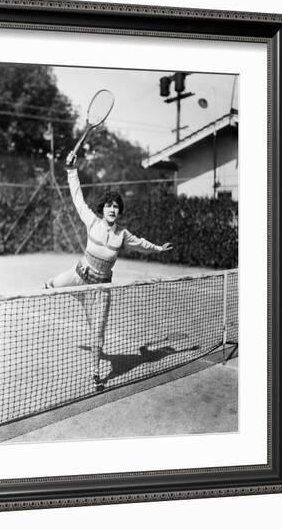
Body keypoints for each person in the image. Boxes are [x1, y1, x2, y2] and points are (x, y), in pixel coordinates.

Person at [45, 151, 173, 390]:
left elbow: (142, 245)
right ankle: (51, 283)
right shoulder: (92, 221)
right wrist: (71, 170)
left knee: (98, 332)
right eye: (109, 205)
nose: (112, 209)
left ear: (119, 211)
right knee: (52, 286)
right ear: (102, 208)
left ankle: (95, 372)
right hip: (78, 276)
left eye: (116, 207)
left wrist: (158, 248)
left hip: (101, 289)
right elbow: (77, 198)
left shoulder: (122, 234)